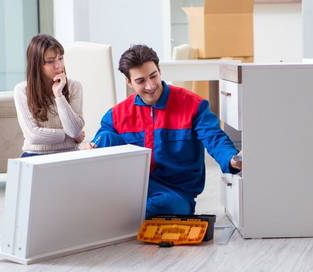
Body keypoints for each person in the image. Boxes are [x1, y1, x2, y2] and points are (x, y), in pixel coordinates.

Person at [89, 44, 242, 217]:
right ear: (129, 82)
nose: (150, 86)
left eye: (153, 76)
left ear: (159, 70)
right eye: (140, 81)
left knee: (159, 206)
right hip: (132, 187)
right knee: (105, 138)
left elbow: (214, 137)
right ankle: (122, 212)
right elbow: (98, 145)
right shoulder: (116, 114)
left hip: (176, 193)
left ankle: (119, 214)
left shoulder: (193, 105)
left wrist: (231, 159)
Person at [14, 34, 85, 157]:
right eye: (50, 61)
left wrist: (59, 95)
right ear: (37, 65)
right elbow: (33, 135)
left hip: (70, 154)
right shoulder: (22, 90)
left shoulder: (75, 87)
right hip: (35, 155)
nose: (58, 65)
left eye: (60, 58)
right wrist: (67, 135)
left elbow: (74, 130)